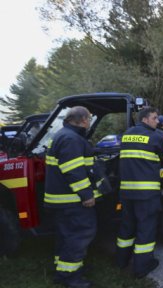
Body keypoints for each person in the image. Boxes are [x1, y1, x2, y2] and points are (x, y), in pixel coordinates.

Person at [44, 106, 100, 288]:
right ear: (83, 119)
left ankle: (63, 272)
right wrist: (87, 195)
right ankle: (72, 278)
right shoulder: (71, 139)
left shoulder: (63, 135)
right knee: (79, 235)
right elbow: (73, 171)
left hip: (62, 200)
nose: (89, 122)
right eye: (89, 119)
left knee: (66, 237)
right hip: (72, 200)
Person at [116, 107, 163, 278]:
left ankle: (121, 261)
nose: (158, 121)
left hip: (126, 193)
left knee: (127, 228)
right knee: (146, 229)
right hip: (146, 194)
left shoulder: (126, 135)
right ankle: (142, 267)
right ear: (145, 119)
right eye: (155, 118)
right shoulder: (155, 136)